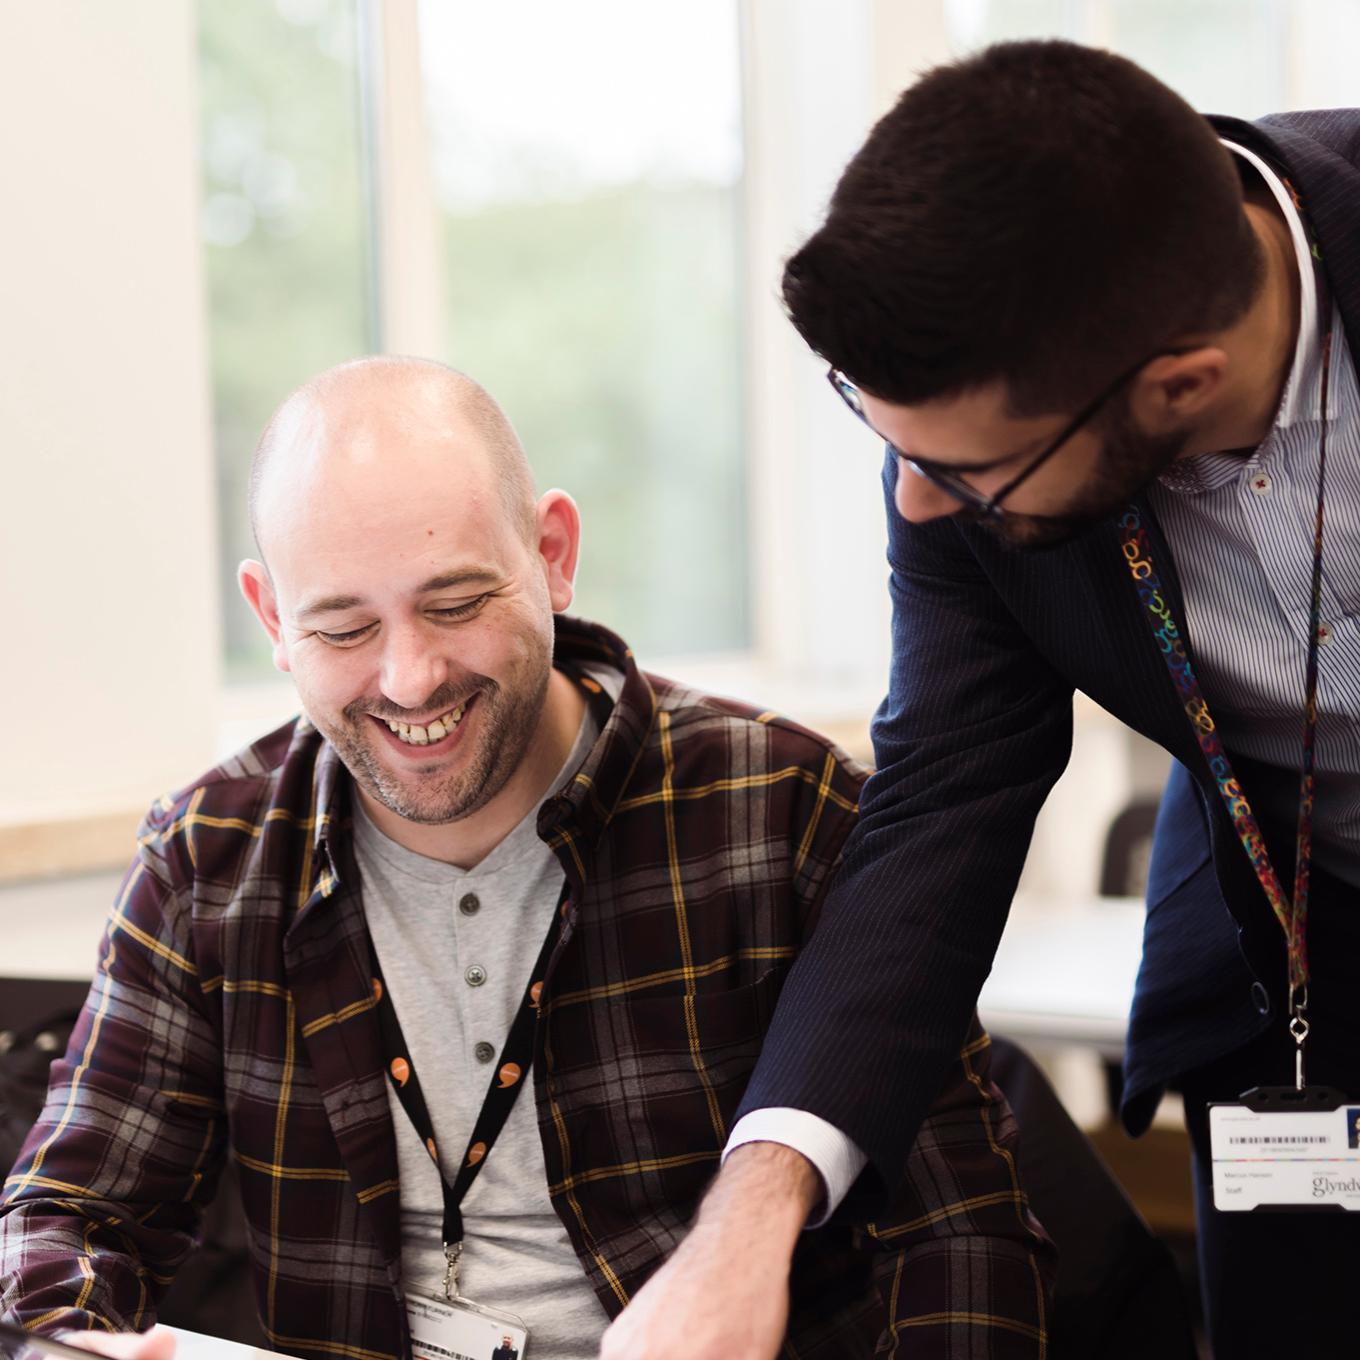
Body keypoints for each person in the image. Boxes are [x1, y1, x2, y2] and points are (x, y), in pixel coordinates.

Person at [0, 358, 1051, 1359]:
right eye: (343, 627)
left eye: (455, 603)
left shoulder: (775, 806)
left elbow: (959, 1230)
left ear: (551, 553)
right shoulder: (209, 858)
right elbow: (70, 1210)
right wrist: (66, 1336)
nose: (409, 679)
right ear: (273, 618)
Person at [605, 39, 1360, 1360]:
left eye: (962, 475)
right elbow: (941, 805)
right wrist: (752, 1217)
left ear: (1178, 381)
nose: (910, 503)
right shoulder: (977, 406)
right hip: (1287, 951)